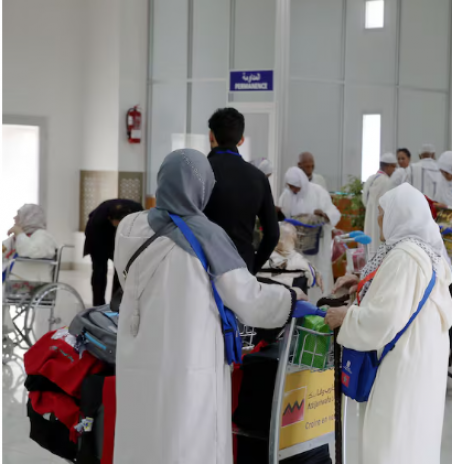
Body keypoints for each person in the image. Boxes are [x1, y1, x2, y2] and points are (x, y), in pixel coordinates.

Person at [113, 148, 322, 464]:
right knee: (186, 440)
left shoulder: (129, 226)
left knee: (143, 433)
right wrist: (290, 299)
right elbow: (248, 299)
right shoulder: (207, 235)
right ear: (201, 187)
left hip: (138, 352)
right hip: (188, 361)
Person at [322, 183, 452, 464]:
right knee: (413, 435)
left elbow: (384, 319)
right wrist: (363, 283)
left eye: (383, 213)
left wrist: (345, 318)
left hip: (404, 362)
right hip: (421, 355)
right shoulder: (421, 250)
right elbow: (402, 294)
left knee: (392, 439)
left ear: (401, 215)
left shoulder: (405, 257)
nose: (379, 219)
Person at [202, 108, 280, 274]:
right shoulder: (258, 178)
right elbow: (273, 234)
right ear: (241, 140)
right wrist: (252, 266)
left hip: (202, 266)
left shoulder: (197, 172)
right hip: (241, 266)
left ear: (211, 136)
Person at [278, 167, 342, 297]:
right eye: (291, 187)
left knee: (318, 279)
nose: (294, 190)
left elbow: (334, 212)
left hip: (316, 247)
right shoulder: (286, 195)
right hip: (296, 248)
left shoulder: (318, 192)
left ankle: (318, 305)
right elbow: (283, 216)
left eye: (296, 187)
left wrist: (324, 215)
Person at [83, 198, 143, 306]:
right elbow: (96, 245)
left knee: (121, 272)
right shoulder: (98, 220)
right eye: (117, 223)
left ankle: (116, 304)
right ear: (110, 218)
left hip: (124, 238)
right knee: (99, 271)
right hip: (98, 237)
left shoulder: (137, 213)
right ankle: (98, 304)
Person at [3, 204, 58, 282]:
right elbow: (3, 249)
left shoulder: (43, 236)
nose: (14, 218)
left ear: (28, 219)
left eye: (18, 216)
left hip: (31, 280)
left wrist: (19, 233)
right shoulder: (21, 236)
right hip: (16, 274)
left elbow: (29, 252)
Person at [362, 153, 399, 259]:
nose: (395, 170)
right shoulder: (386, 181)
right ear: (388, 166)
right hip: (381, 224)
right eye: (393, 167)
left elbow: (364, 201)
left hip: (369, 221)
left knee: (370, 251)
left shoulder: (370, 179)